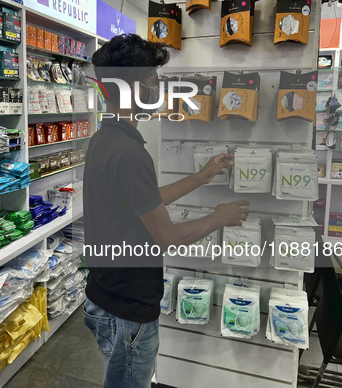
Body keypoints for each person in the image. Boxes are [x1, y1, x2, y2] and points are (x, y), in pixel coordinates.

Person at [82, 34, 250, 388]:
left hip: (105, 296)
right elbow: (168, 237)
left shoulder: (106, 139)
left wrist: (202, 176)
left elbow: (143, 202)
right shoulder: (129, 153)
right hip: (127, 308)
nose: (158, 92)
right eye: (153, 84)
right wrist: (219, 217)